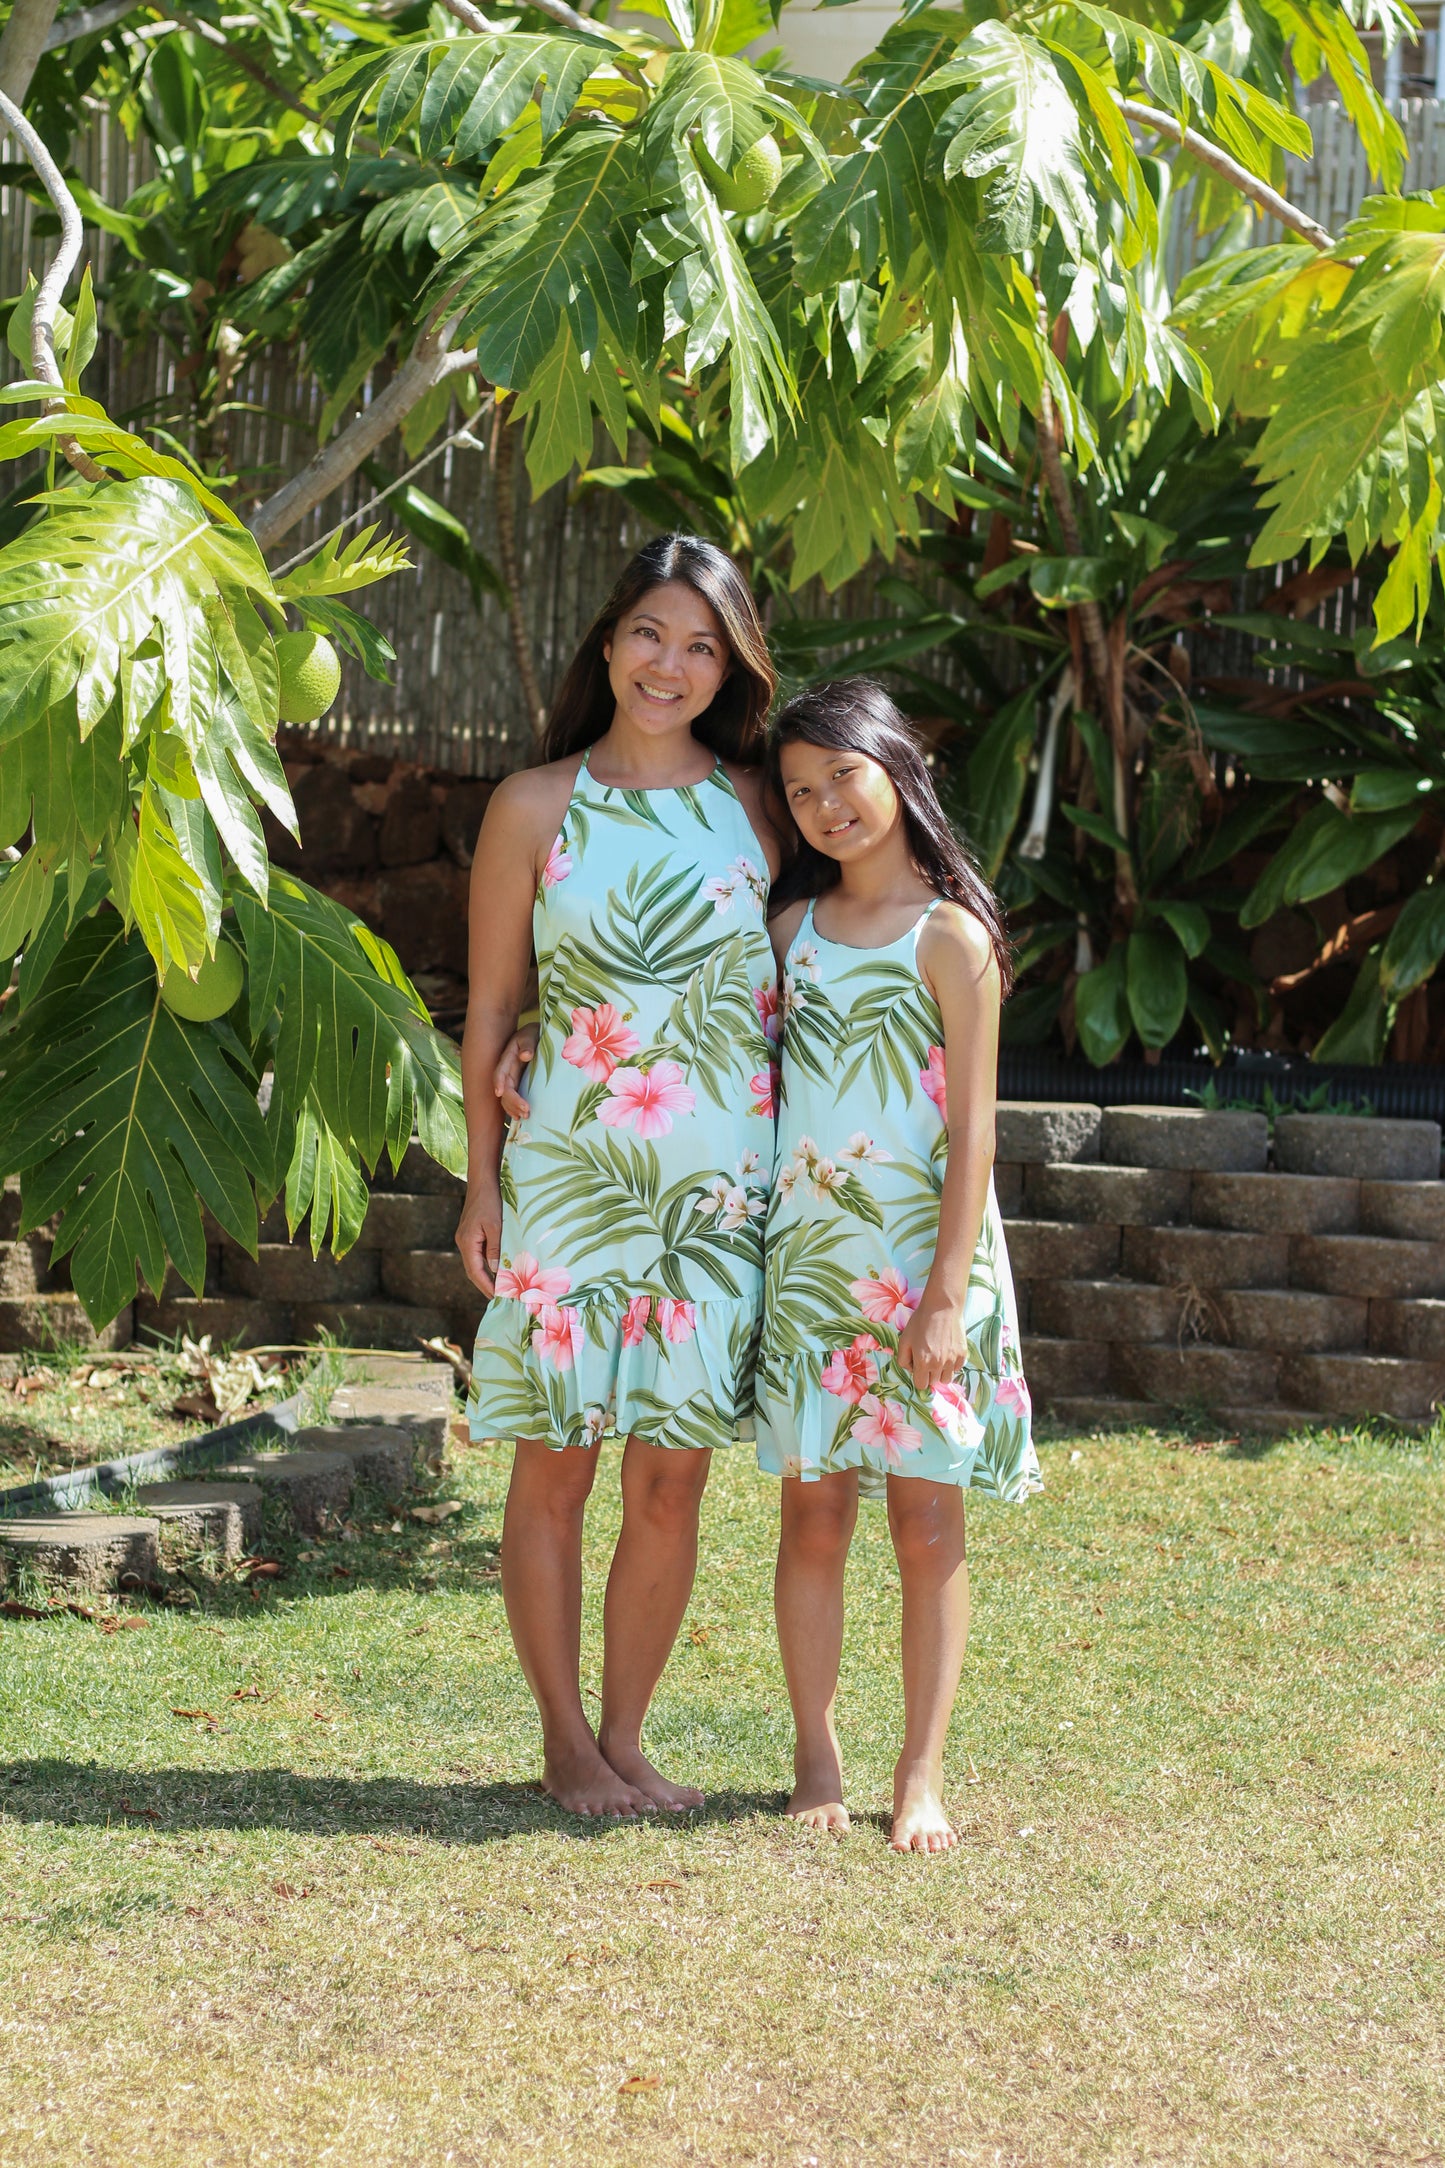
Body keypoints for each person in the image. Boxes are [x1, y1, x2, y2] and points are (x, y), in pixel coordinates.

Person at [456, 535, 781, 1819]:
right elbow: (488, 1014)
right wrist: (481, 1186)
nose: (671, 664)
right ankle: (561, 1741)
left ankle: (629, 1739)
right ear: (607, 642)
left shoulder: (761, 806)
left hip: (715, 1197)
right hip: (568, 1182)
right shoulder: (533, 805)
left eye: (702, 644)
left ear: (729, 666)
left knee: (670, 1474)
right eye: (651, 633)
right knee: (554, 1465)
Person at [757, 679, 1041, 1853]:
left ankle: (918, 1770)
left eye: (844, 774)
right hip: (812, 1266)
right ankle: (814, 1753)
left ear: (898, 767)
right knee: (811, 1517)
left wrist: (940, 1297)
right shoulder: (788, 931)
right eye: (800, 789)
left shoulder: (952, 937)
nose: (826, 803)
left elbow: (973, 1131)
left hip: (928, 1267)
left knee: (927, 1524)